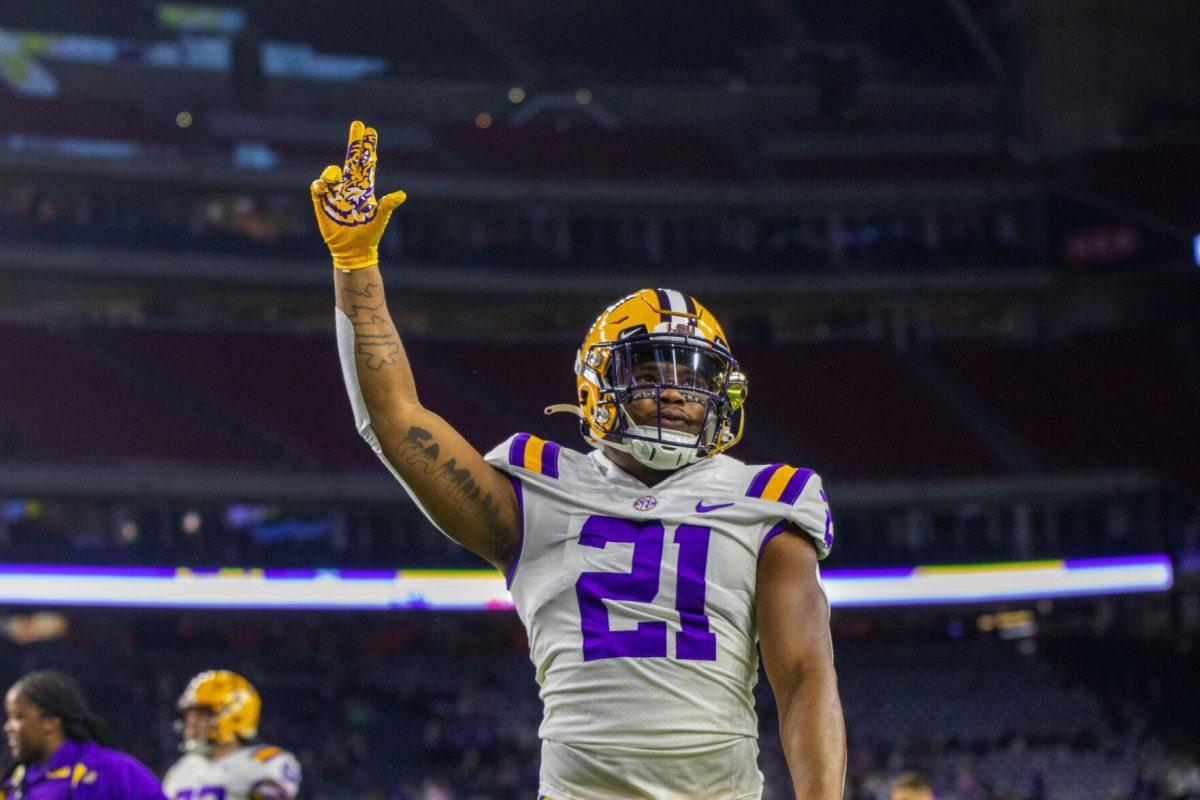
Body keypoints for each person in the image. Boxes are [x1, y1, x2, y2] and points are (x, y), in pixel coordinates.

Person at [312, 120, 846, 800]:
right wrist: (355, 268)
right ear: (598, 384)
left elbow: (803, 673)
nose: (678, 394)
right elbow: (394, 419)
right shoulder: (536, 490)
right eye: (653, 370)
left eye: (695, 378)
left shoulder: (769, 499)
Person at [1, 669, 165, 800]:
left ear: (50, 722)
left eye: (18, 717)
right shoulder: (16, 784)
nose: (7, 727)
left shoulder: (115, 772)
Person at [161, 671, 300, 800]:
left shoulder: (265, 760)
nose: (192, 725)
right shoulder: (182, 768)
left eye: (202, 715)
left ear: (235, 717)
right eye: (189, 717)